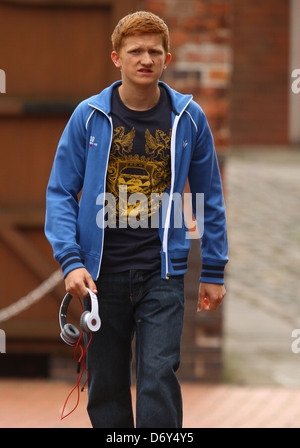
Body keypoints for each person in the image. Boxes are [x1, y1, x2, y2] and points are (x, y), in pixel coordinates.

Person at [45, 11, 228, 428]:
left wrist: (214, 268)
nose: (145, 59)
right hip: (100, 275)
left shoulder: (189, 119)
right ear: (117, 58)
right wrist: (71, 262)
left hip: (161, 273)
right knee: (106, 382)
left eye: (154, 51)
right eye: (135, 51)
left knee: (157, 376)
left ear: (167, 58)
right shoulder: (88, 117)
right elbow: (59, 193)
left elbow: (208, 198)